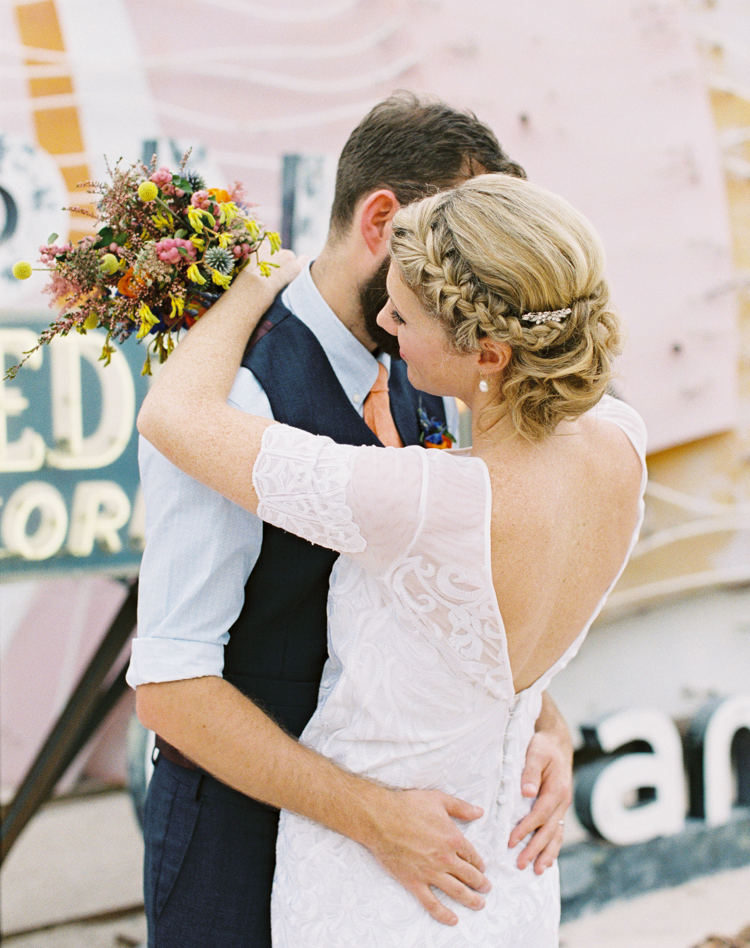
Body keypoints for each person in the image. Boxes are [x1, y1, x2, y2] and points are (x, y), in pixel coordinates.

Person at [137, 172, 647, 947]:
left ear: (489, 351)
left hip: (375, 892)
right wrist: (548, 724)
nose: (382, 319)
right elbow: (495, 651)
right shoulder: (623, 448)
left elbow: (172, 414)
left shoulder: (421, 502)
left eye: (403, 314)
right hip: (501, 884)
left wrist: (251, 282)